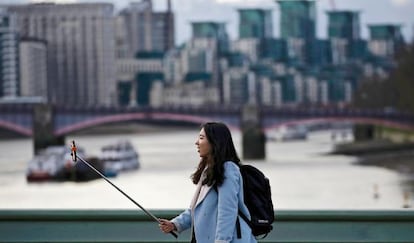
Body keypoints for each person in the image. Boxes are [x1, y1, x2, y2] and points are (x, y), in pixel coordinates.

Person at [158, 122, 257, 243]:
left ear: (214, 142)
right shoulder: (208, 170)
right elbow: (196, 210)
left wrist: (222, 241)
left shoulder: (228, 169)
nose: (196, 142)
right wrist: (175, 224)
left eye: (201, 138)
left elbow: (227, 210)